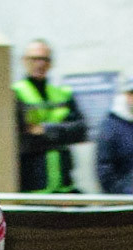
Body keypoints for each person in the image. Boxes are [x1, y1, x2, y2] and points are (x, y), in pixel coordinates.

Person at [14, 39, 84, 193]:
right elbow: (21, 137)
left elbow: (80, 131)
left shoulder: (62, 94)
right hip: (31, 184)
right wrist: (61, 134)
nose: (40, 64)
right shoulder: (15, 93)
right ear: (24, 61)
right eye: (34, 59)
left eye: (44, 59)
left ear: (51, 63)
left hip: (63, 184)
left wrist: (45, 130)